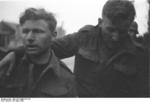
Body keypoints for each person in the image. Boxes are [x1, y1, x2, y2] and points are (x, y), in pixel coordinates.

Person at [0, 0, 149, 97]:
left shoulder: (139, 54)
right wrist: (16, 52)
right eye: (110, 30)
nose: (115, 36)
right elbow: (48, 45)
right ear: (100, 22)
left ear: (130, 24)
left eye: (122, 31)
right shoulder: (85, 37)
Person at [0, 8, 76, 97]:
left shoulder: (66, 78)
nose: (29, 37)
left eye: (38, 31)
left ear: (53, 36)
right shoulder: (7, 66)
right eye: (25, 31)